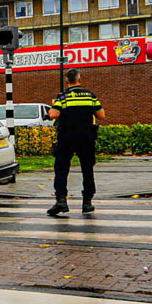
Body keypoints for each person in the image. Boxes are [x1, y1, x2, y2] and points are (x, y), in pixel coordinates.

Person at [47, 68, 105, 216]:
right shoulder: (90, 96)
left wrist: (51, 111)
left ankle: (61, 201)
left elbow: (54, 114)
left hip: (67, 137)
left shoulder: (63, 97)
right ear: (80, 80)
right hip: (86, 137)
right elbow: (101, 115)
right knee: (87, 169)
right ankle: (87, 203)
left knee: (61, 169)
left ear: (67, 81)